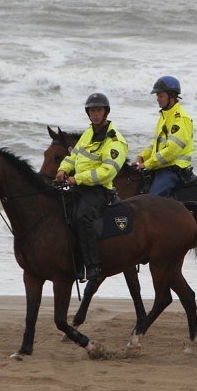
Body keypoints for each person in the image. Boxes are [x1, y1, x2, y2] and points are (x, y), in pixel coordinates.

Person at [55, 92, 128, 282]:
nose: (95, 114)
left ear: (106, 113)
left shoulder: (115, 141)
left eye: (99, 110)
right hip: (80, 185)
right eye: (92, 111)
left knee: (82, 217)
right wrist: (63, 169)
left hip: (100, 190)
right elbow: (74, 156)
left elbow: (107, 172)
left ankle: (92, 267)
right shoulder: (88, 132)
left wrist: (77, 179)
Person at [134, 76, 195, 197]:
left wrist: (147, 164)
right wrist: (141, 157)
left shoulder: (180, 119)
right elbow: (155, 145)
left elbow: (171, 151)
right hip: (161, 166)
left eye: (160, 96)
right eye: (157, 96)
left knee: (151, 200)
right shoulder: (164, 116)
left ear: (171, 96)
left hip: (173, 170)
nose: (157, 99)